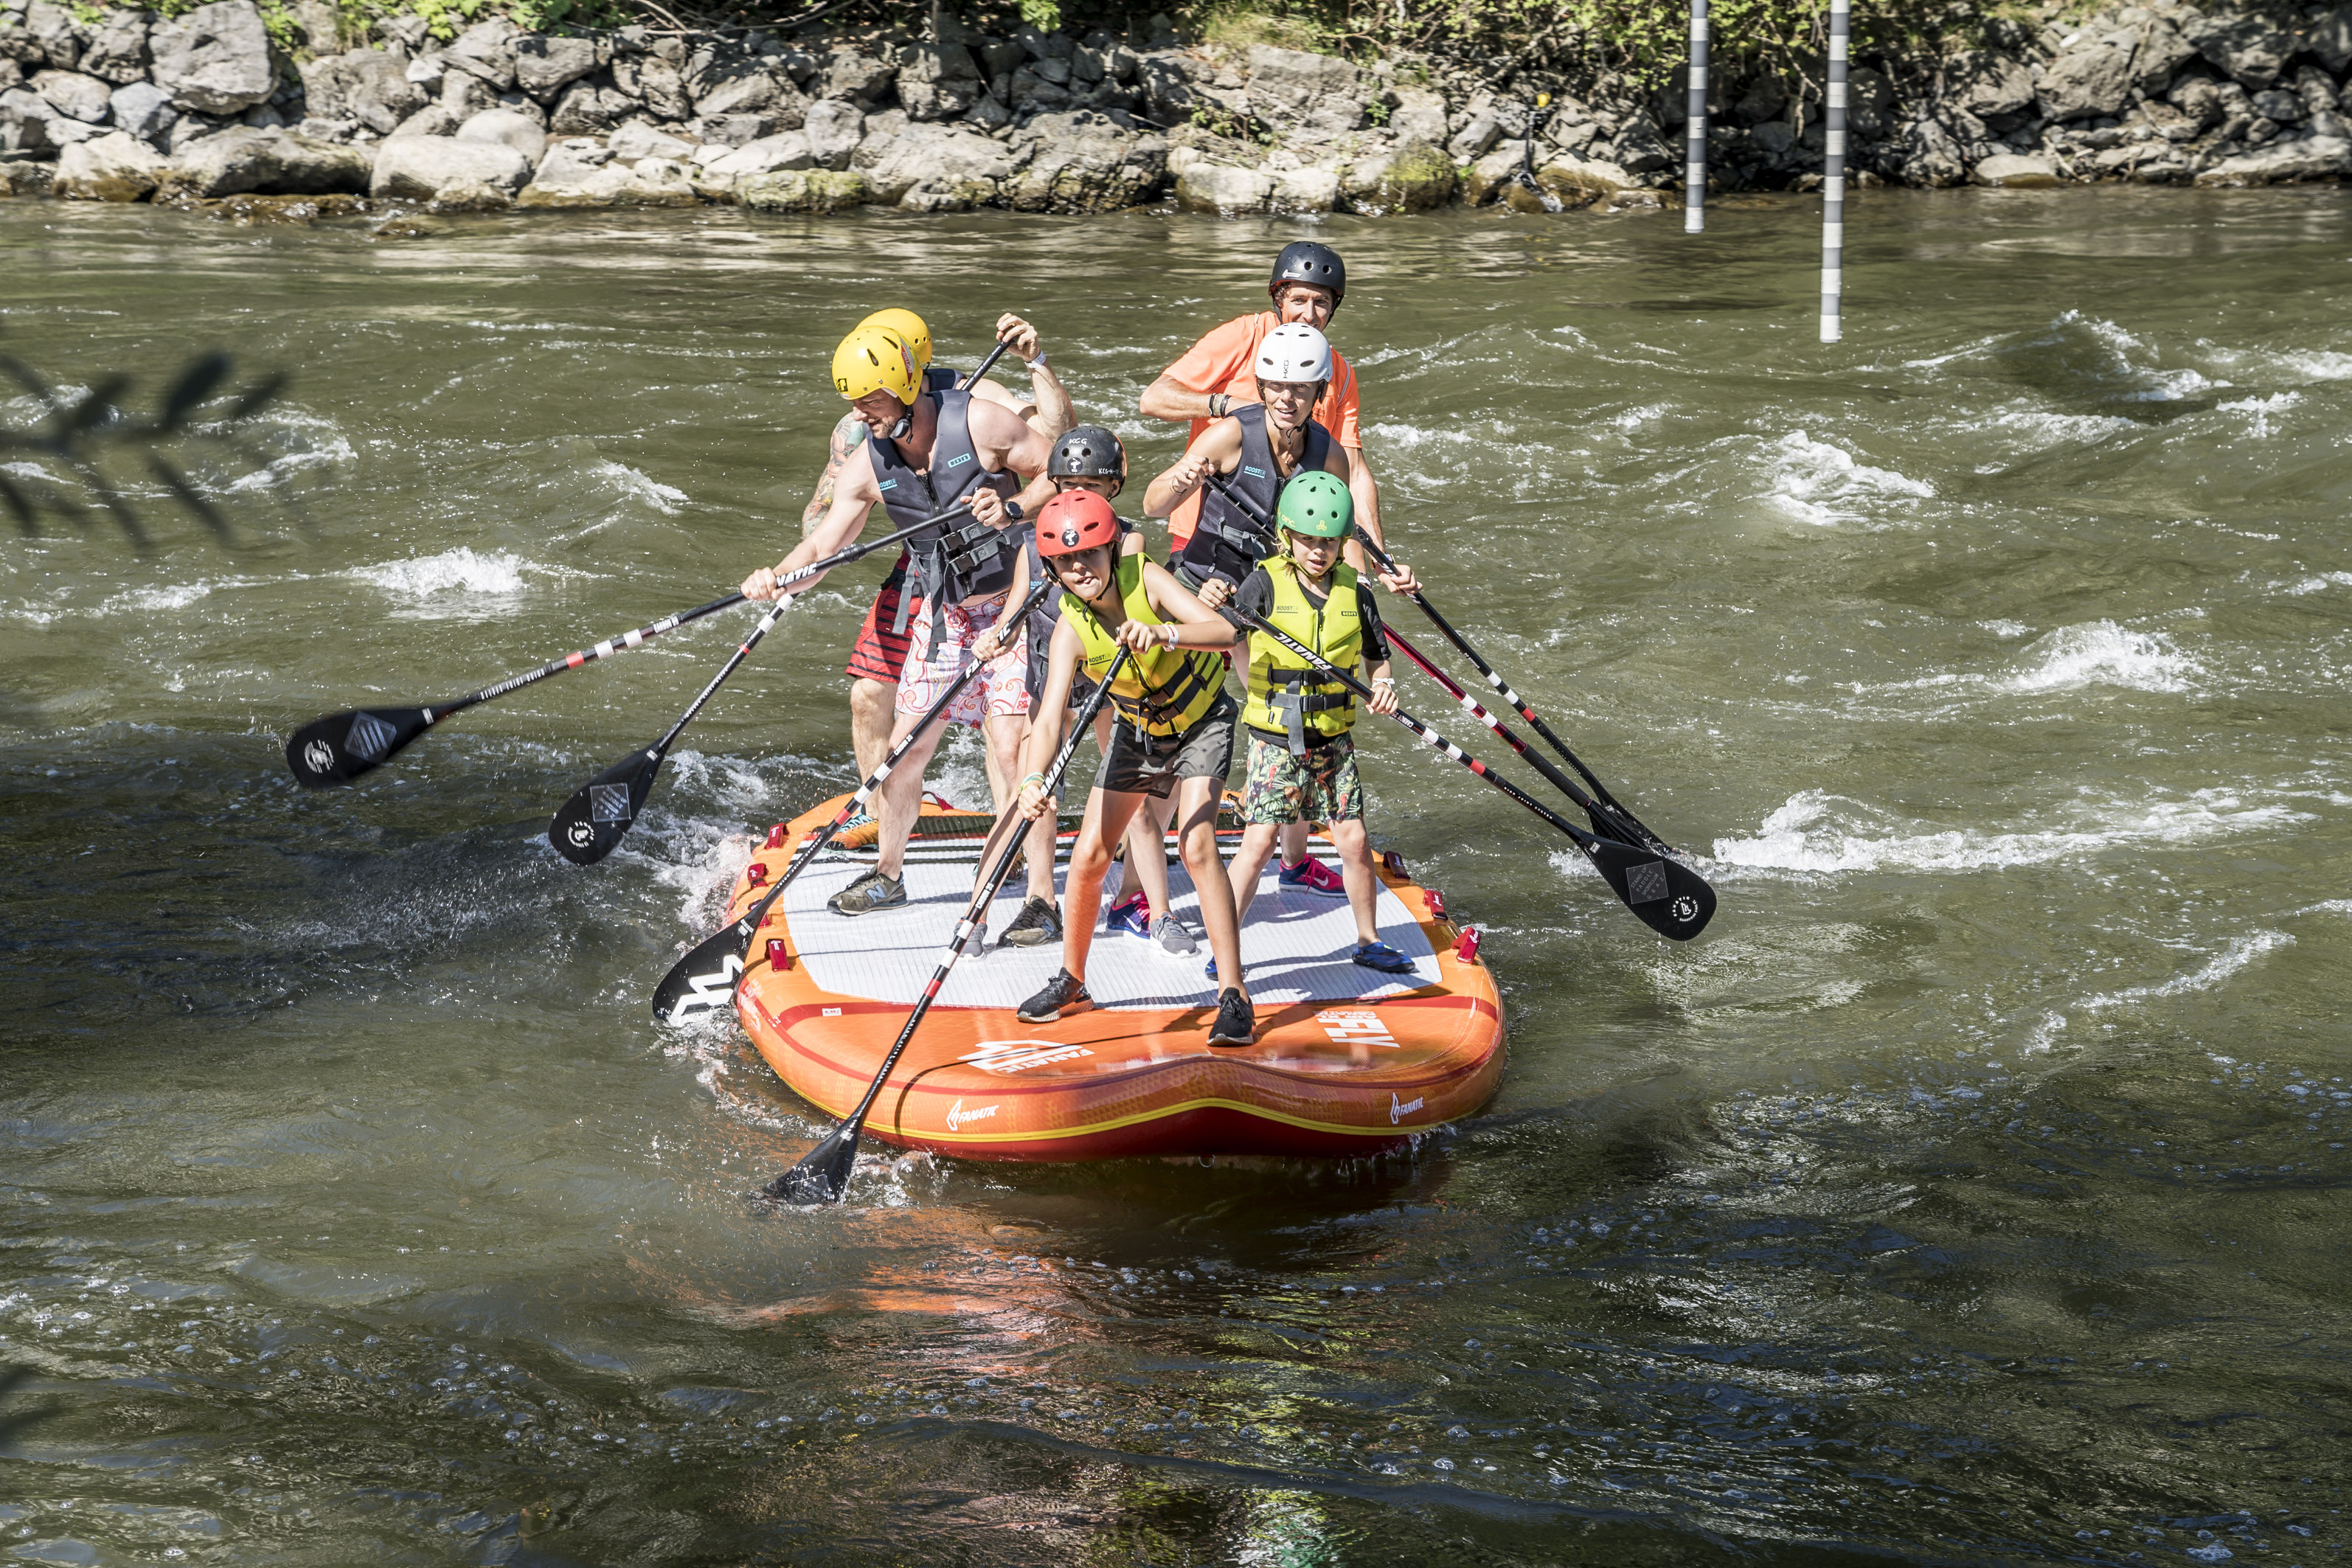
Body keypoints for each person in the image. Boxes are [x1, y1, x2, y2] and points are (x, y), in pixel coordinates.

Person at [741, 322, 1055, 916]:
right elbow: (823, 548)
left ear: (907, 386)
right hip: (945, 616)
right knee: (902, 752)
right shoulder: (867, 462)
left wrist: (1012, 505)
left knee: (1013, 748)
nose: (864, 414)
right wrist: (776, 576)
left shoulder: (982, 422)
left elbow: (1060, 470)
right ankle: (888, 875)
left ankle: (1039, 896)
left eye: (873, 400)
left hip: (1014, 605)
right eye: (856, 403)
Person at [1138, 243, 1392, 898]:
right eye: (1297, 299)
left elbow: (1348, 485)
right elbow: (1154, 401)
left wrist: (1363, 578)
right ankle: (1140, 879)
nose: (1306, 310)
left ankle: (1291, 851)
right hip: (1204, 558)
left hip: (1274, 572)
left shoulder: (1335, 386)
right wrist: (1220, 419)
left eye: (1320, 303)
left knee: (1290, 706)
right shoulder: (1241, 347)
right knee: (1184, 722)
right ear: (1277, 298)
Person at [1010, 490, 1257, 1047]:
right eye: (1066, 562)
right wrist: (1032, 781)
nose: (1080, 570)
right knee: (1090, 856)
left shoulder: (1145, 577)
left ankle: (1234, 995)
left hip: (1200, 721)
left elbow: (1224, 632)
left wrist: (1166, 631)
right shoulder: (1069, 629)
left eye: (1091, 556)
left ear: (1110, 550)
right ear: (1051, 568)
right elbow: (1048, 719)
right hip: (1139, 732)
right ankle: (1072, 981)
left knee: (1196, 845)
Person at [797, 309, 1072, 788]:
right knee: (868, 694)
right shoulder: (858, 424)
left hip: (997, 556)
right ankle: (880, 814)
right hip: (923, 564)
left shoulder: (981, 398)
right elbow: (825, 510)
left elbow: (1060, 445)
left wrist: (1037, 362)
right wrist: (803, 566)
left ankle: (1010, 822)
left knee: (1002, 721)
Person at [972, 426, 1197, 956]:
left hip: (1105, 668)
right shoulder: (1033, 542)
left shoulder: (1129, 539)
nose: (1079, 495)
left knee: (1131, 797)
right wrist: (997, 634)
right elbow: (1019, 602)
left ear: (1114, 488)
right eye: (1068, 484)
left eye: (1093, 486)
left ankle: (1149, 907)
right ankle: (1035, 898)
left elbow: (1125, 596)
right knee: (1030, 791)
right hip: (1047, 668)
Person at [1221, 471, 1416, 976]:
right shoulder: (1261, 583)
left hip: (1333, 738)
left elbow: (1377, 658)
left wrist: (1384, 684)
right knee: (1259, 842)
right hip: (1274, 739)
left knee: (1352, 840)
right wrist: (1200, 616)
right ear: (1287, 536)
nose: (1317, 551)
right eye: (1307, 540)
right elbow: (1227, 634)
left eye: (1328, 542)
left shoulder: (1357, 594)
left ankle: (1368, 940)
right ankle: (1226, 949)